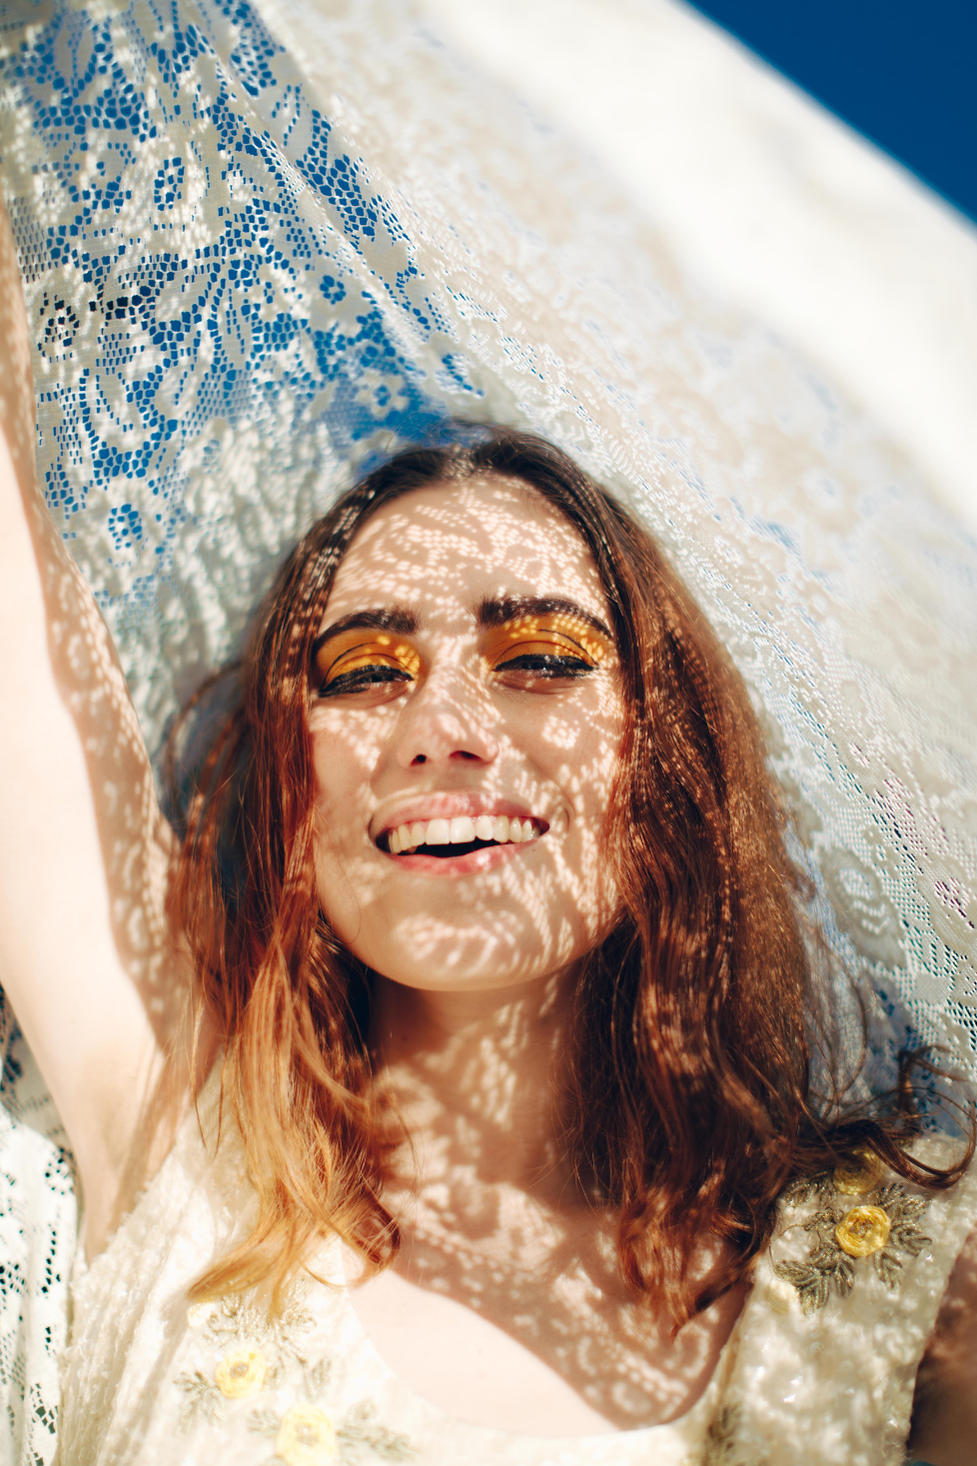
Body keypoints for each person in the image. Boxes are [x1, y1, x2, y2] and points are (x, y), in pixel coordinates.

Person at [2, 178, 977, 1463]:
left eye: (540, 656)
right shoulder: (183, 1148)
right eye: (361, 669)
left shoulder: (911, 1270)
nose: (440, 724)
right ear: (294, 784)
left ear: (666, 755)